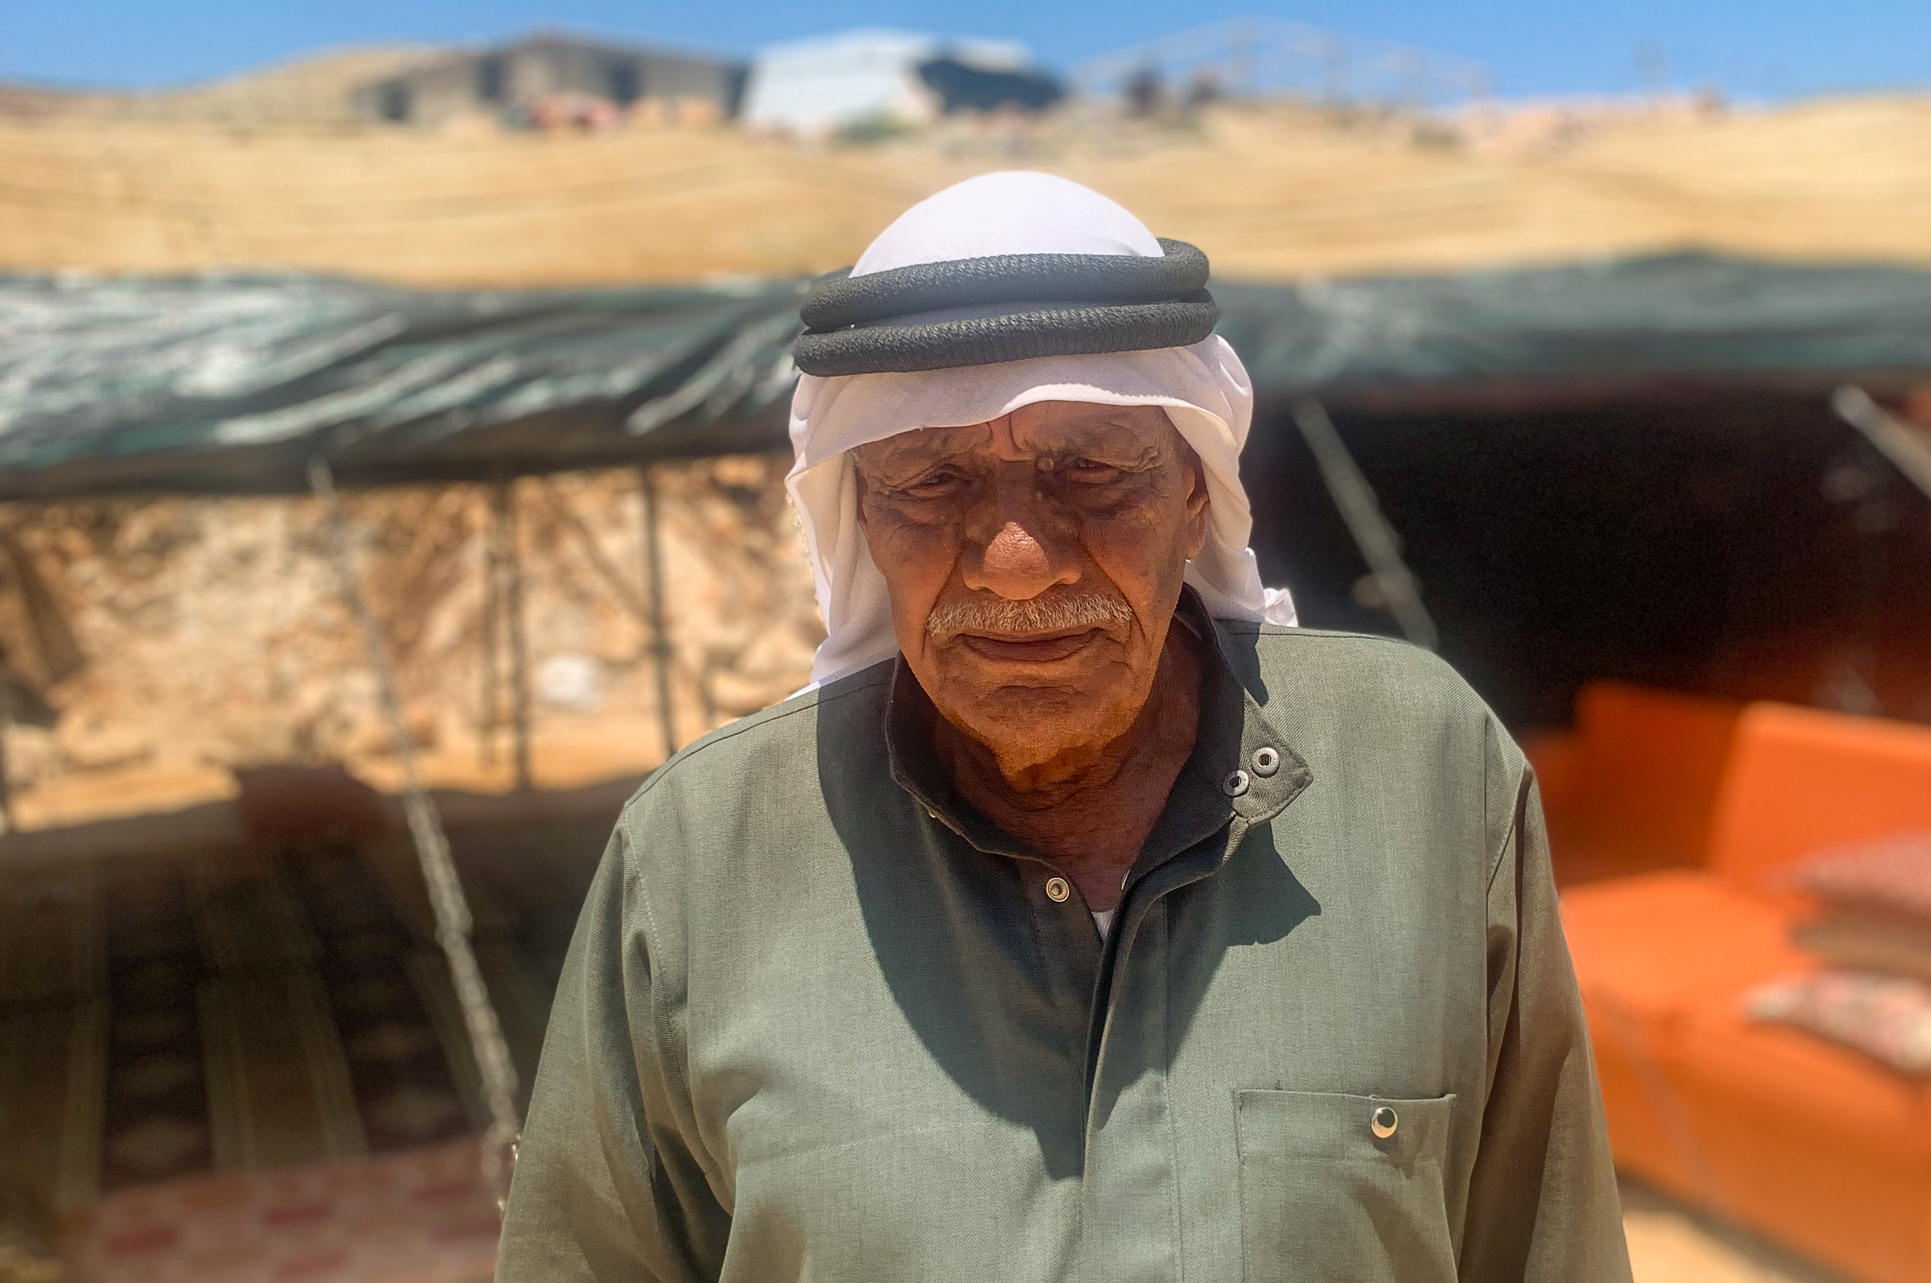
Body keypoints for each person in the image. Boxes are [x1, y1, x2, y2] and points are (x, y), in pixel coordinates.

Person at [495, 172, 1632, 1282]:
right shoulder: (700, 851)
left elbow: (1542, 1234)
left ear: (1195, 494)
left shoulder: (1421, 767)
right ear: (859, 520)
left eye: (1087, 471)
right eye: (930, 481)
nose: (1019, 564)